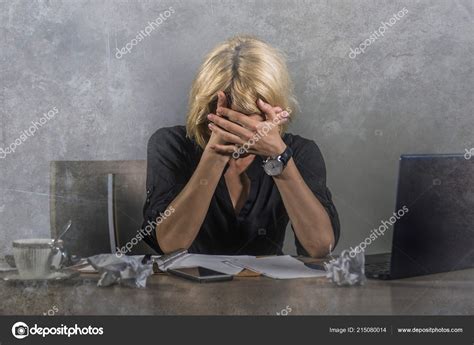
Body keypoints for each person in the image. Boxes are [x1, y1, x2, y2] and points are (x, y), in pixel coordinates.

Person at [141, 35, 339, 258]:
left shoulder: (300, 152)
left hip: (269, 288)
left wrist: (279, 157)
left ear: (274, 112)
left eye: (247, 120)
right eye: (227, 120)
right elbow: (170, 245)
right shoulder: (171, 145)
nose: (238, 131)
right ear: (205, 113)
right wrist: (216, 154)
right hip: (189, 289)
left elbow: (321, 247)